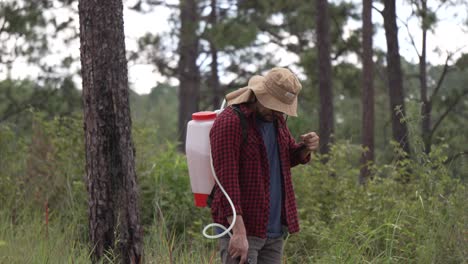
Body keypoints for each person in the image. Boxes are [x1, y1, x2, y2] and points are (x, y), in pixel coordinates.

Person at [209, 67, 320, 264]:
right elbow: (226, 183)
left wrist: (305, 148)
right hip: (244, 230)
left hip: (273, 230)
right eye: (274, 106)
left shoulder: (276, 120)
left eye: (281, 108)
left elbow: (285, 158)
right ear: (261, 94)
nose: (278, 112)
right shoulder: (230, 122)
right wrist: (238, 232)